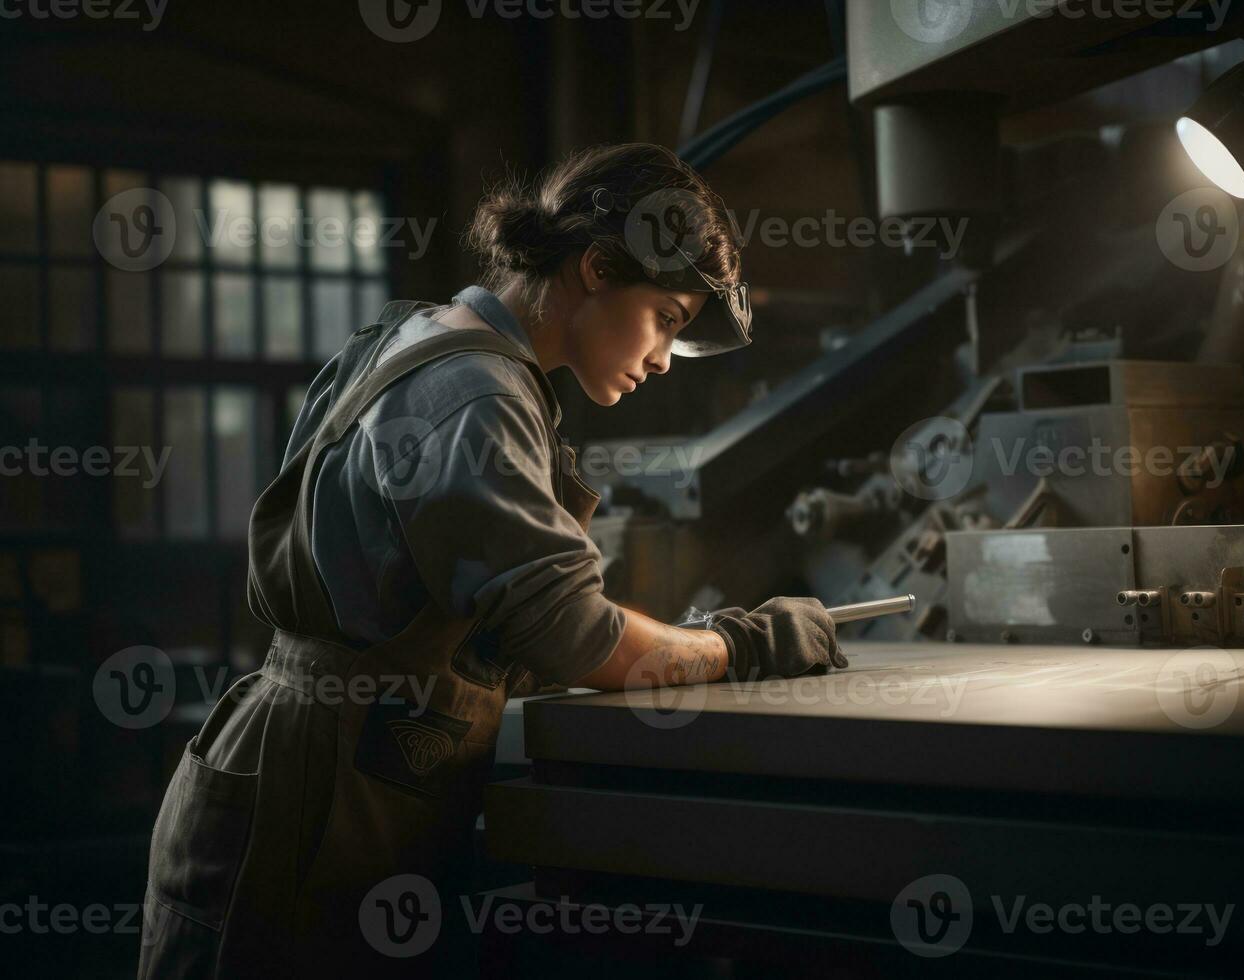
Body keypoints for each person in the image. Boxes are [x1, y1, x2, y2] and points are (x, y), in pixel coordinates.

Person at [137, 142, 845, 979]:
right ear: (593, 269)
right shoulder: (477, 391)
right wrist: (744, 644)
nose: (661, 357)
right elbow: (575, 638)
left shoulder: (416, 335)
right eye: (669, 317)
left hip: (322, 765)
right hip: (315, 801)